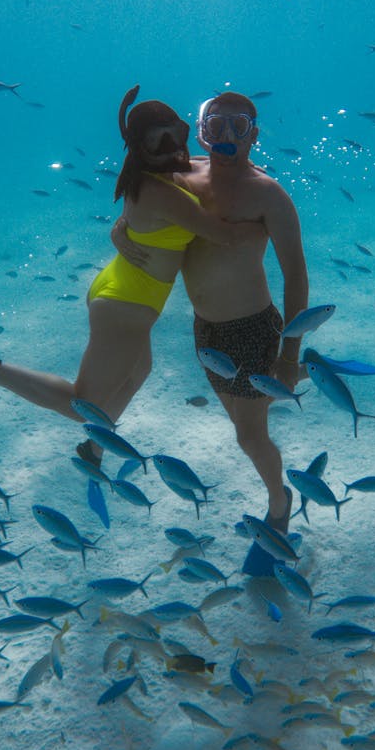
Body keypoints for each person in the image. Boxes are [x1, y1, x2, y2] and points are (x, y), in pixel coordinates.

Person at [0, 86, 263, 464]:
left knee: (140, 370)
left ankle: (95, 445)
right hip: (127, 305)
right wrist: (269, 215)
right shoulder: (161, 191)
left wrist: (243, 169)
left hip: (122, 287)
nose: (173, 147)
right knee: (81, 403)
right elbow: (225, 235)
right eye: (160, 142)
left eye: (177, 135)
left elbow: (196, 174)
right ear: (141, 149)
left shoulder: (155, 176)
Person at [114, 91, 308, 532]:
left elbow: (296, 275)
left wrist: (290, 356)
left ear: (253, 136)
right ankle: (279, 491)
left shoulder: (268, 195)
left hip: (253, 330)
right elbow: (141, 203)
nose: (224, 137)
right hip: (206, 334)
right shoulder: (183, 174)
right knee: (244, 427)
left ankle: (280, 506)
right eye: (213, 125)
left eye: (236, 127)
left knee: (249, 435)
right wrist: (118, 230)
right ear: (198, 132)